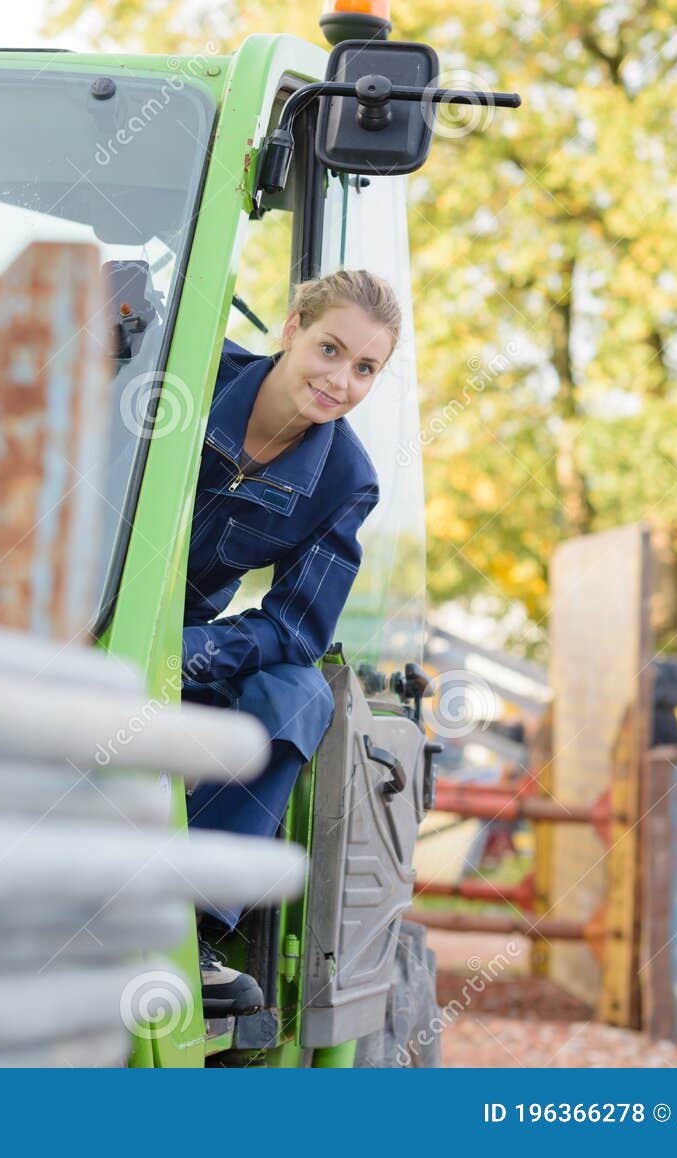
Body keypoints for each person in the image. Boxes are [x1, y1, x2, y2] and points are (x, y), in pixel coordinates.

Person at [182, 269, 399, 1016]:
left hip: (185, 647)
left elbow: (295, 626)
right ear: (290, 328)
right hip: (80, 610)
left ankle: (189, 924)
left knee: (297, 691)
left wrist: (189, 652)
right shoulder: (185, 379)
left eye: (365, 368)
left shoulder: (346, 479)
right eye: (330, 348)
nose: (340, 380)